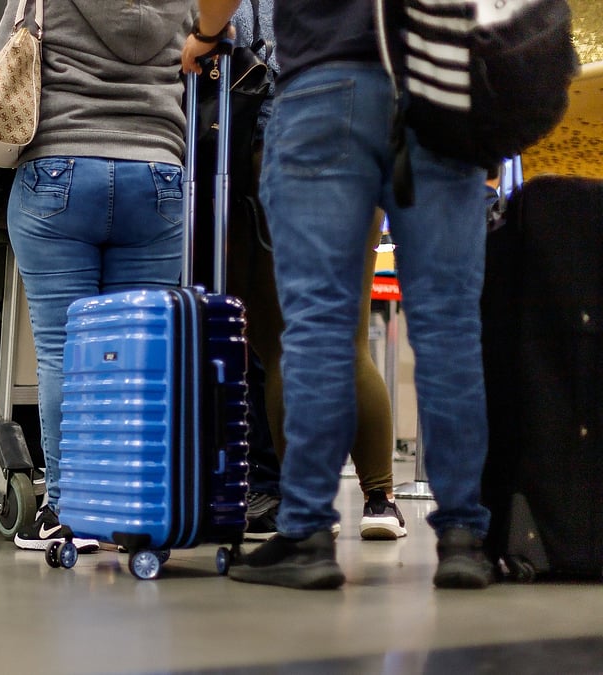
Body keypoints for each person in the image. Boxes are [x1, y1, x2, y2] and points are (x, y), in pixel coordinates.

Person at [185, 0, 494, 589]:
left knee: (318, 324)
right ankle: (464, 539)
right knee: (450, 326)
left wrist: (207, 32)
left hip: (326, 86)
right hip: (442, 83)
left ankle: (306, 535)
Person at [0, 0, 197, 552]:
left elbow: (3, 60)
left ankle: (66, 510)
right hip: (157, 173)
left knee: (64, 352)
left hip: (59, 167)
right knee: (137, 357)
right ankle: (129, 509)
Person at [218, 1, 403, 542]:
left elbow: (233, 33)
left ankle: (304, 512)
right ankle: (380, 501)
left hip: (287, 135)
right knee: (351, 339)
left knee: (282, 344)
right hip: (370, 135)